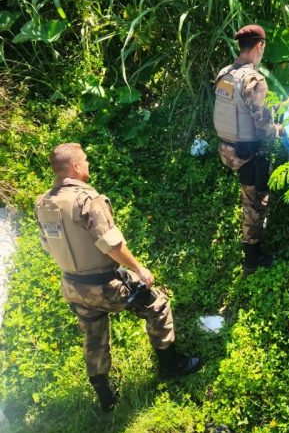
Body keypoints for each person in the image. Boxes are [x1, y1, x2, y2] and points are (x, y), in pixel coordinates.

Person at [34, 143, 200, 412]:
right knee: (157, 306)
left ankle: (105, 396)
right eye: (85, 160)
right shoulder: (86, 201)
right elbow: (111, 244)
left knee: (93, 334)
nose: (88, 164)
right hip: (104, 284)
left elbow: (46, 244)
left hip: (72, 285)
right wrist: (138, 269)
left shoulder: (43, 203)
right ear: (75, 166)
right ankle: (171, 365)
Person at [213, 24, 278, 275]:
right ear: (259, 46)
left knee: (249, 196)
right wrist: (279, 131)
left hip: (227, 149)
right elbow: (263, 125)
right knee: (254, 202)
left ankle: (253, 244)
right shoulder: (254, 80)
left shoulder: (225, 73)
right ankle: (252, 258)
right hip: (248, 153)